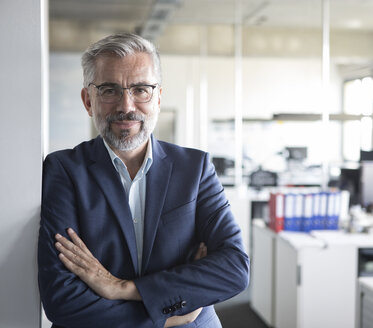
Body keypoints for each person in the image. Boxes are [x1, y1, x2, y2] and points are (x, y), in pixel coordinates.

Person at [38, 33, 249, 328]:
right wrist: (166, 318)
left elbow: (234, 270)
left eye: (141, 89)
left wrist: (120, 287)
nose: (127, 105)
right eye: (109, 90)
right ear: (88, 100)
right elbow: (62, 300)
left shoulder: (195, 168)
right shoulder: (63, 170)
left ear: (159, 98)